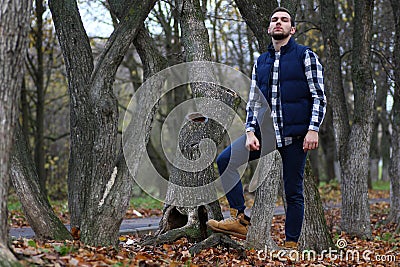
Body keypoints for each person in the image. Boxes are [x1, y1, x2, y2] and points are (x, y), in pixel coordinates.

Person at [206, 7, 326, 249]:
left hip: (295, 136)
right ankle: (239, 218)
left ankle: (291, 245)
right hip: (264, 135)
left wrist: (313, 129)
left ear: (292, 29)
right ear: (269, 28)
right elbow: (254, 102)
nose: (278, 23)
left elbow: (319, 97)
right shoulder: (261, 61)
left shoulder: (306, 56)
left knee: (293, 192)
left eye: (283, 20)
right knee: (225, 161)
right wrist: (250, 131)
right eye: (274, 20)